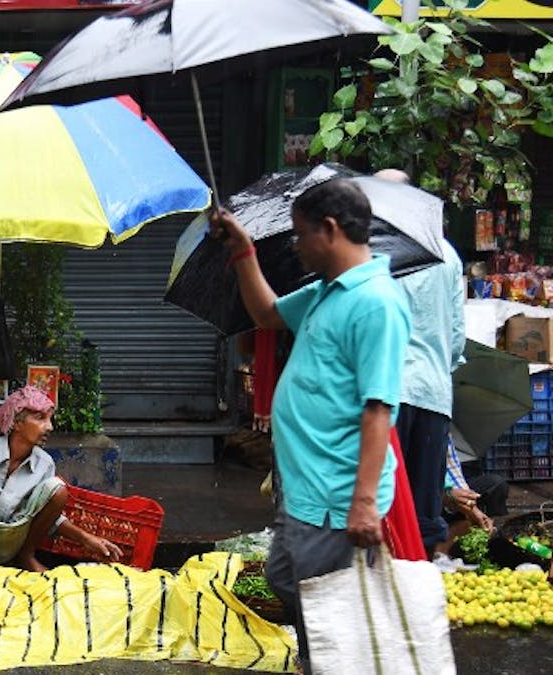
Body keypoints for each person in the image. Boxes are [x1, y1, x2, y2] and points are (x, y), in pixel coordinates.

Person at [209, 179, 411, 672]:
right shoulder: (326, 292)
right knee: (289, 578)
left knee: (326, 608)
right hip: (305, 486)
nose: (296, 246)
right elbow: (267, 314)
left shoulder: (375, 303)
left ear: (331, 229)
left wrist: (363, 502)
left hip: (336, 495)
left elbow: (379, 410)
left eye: (300, 235)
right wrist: (243, 253)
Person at [0, 386, 122, 572]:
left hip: (10, 544)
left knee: (58, 488)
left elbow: (51, 518)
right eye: (40, 418)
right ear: (16, 423)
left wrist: (87, 539)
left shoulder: (45, 464)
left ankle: (26, 556)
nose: (50, 427)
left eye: (50, 419)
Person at [374, 168, 466, 558]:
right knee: (423, 511)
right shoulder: (447, 254)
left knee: (380, 505)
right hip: (431, 392)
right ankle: (417, 596)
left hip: (381, 395)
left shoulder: (371, 254)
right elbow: (457, 337)